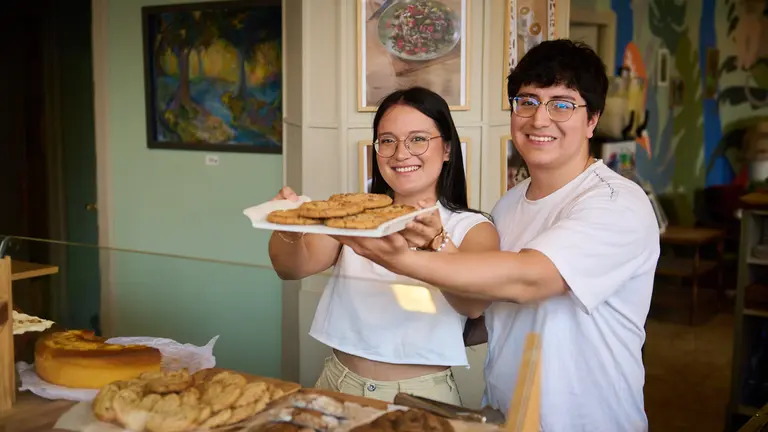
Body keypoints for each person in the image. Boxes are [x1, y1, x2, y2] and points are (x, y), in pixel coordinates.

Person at [333, 40, 660, 431]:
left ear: (592, 119)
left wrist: (398, 258)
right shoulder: (509, 204)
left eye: (561, 104)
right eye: (527, 102)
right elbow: (490, 308)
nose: (539, 119)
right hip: (506, 415)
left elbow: (530, 279)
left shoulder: (617, 202)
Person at [267, 87, 499, 405]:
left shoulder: (472, 228)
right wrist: (288, 227)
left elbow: (473, 305)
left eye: (417, 139)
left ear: (446, 149)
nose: (400, 153)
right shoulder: (355, 213)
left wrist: (436, 242)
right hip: (337, 382)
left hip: (420, 396)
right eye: (388, 141)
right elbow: (291, 268)